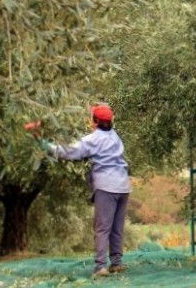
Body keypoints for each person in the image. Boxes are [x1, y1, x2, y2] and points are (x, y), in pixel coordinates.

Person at [44, 105, 131, 277]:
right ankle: (116, 263)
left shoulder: (94, 139)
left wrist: (46, 144)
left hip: (107, 186)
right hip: (123, 186)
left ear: (96, 122)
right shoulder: (115, 136)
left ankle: (101, 267)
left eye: (91, 117)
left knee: (102, 228)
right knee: (116, 227)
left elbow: (69, 152)